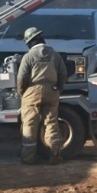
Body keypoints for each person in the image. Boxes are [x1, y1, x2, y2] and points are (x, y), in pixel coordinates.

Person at [17, 26, 67, 165]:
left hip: (31, 92)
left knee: (29, 124)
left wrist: (23, 92)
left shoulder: (28, 56)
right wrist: (58, 89)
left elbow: (21, 78)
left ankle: (28, 158)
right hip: (52, 90)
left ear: (30, 42)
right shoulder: (55, 55)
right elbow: (63, 73)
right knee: (51, 123)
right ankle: (54, 156)